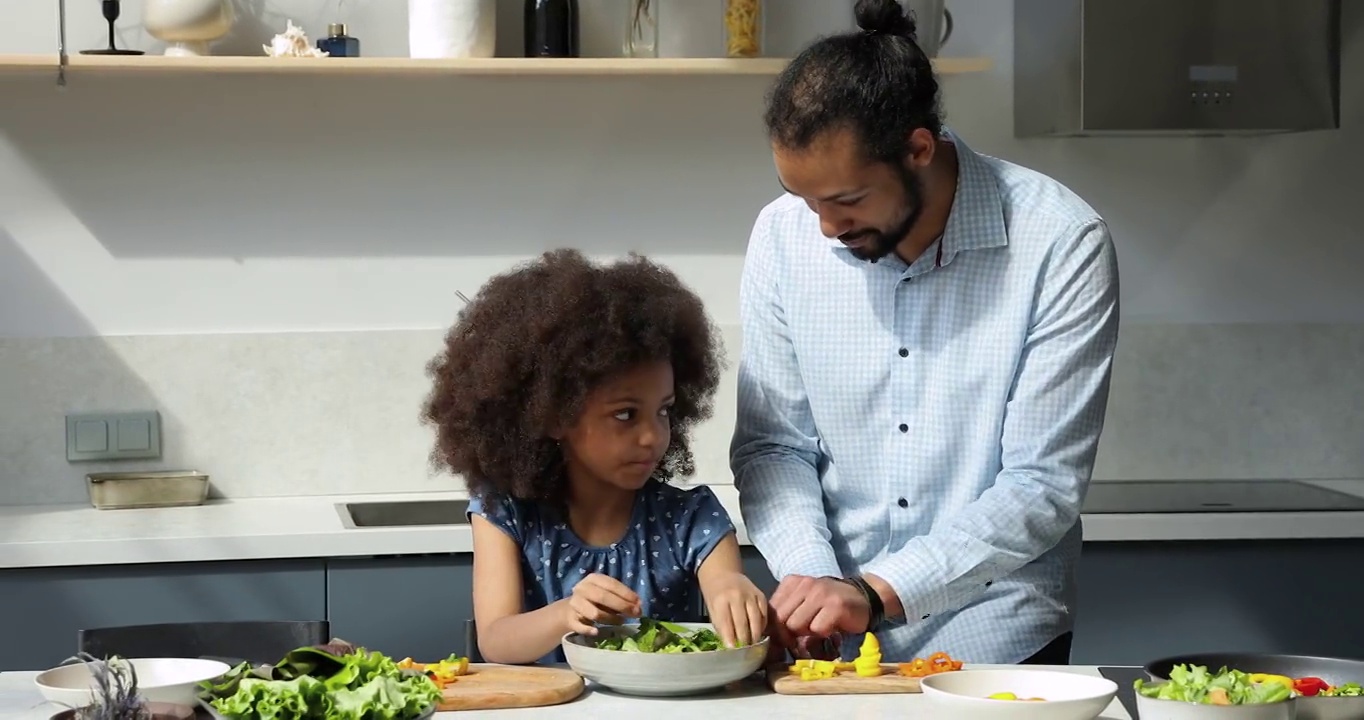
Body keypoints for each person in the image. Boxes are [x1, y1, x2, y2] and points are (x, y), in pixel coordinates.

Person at [730, 0, 1120, 665]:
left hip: (998, 629)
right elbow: (774, 447)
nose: (824, 226)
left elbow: (1040, 484)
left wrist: (879, 592)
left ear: (917, 148)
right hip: (829, 637)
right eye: (806, 200)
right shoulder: (781, 235)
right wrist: (815, 578)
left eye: (847, 201)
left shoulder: (1060, 240)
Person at [421, 249, 768, 665]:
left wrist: (732, 590)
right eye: (625, 415)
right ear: (553, 417)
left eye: (663, 411)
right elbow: (496, 640)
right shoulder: (506, 513)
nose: (652, 436)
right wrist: (565, 613)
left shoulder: (691, 517)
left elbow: (725, 583)